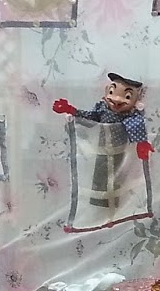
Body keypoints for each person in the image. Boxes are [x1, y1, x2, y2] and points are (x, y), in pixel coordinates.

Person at [52, 73, 152, 209]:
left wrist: (141, 143)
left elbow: (135, 126)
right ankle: (98, 204)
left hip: (118, 152)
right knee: (99, 176)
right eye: (112, 92)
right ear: (106, 91)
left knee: (115, 176)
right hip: (99, 149)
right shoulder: (102, 108)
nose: (117, 99)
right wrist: (72, 110)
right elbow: (90, 118)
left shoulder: (130, 116)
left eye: (127, 96)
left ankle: (112, 204)